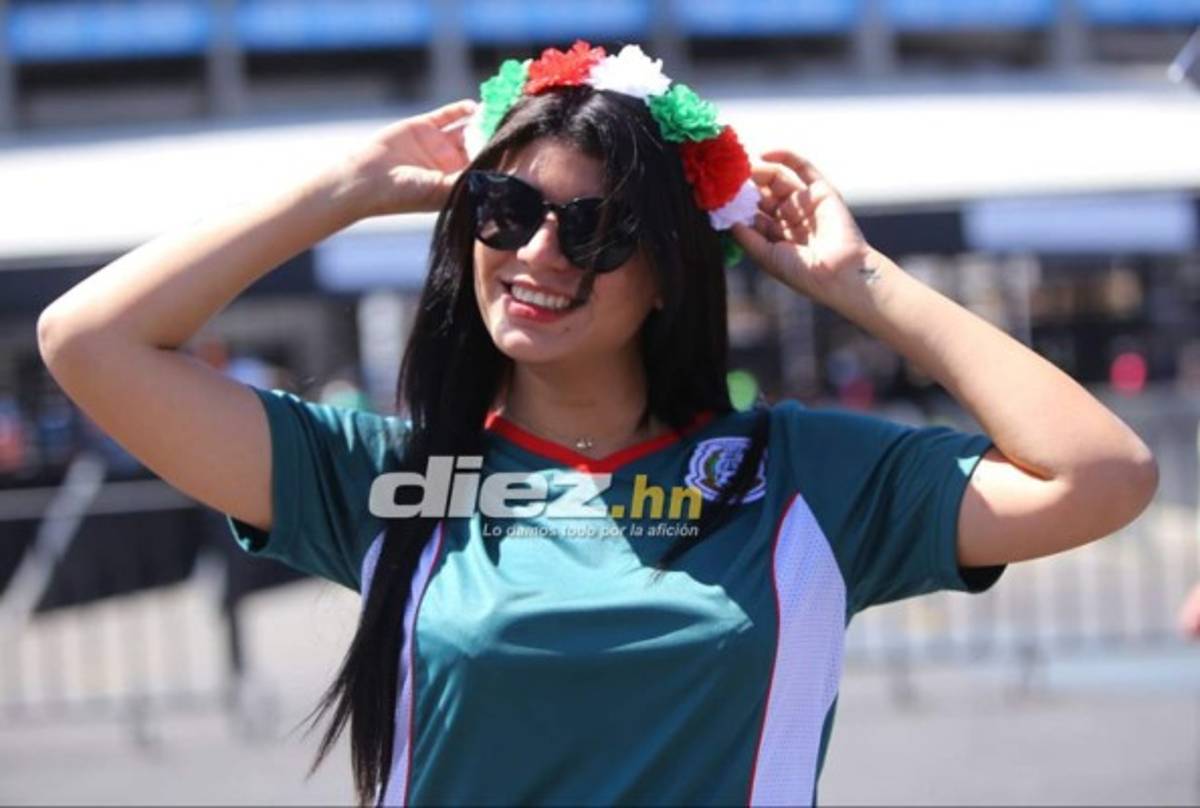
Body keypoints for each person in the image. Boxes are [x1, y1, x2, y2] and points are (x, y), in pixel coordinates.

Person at [36, 40, 1159, 807]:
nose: (537, 254)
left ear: (668, 272)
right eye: (507, 210)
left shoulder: (806, 475)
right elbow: (89, 344)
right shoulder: (387, 479)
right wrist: (347, 184)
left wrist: (858, 280)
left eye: (596, 229)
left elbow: (1100, 473)